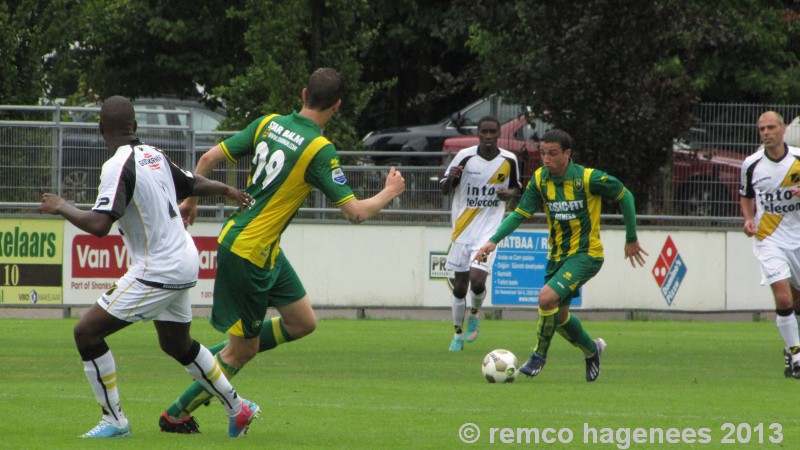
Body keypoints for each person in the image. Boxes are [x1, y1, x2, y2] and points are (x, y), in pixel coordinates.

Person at [159, 67, 405, 433]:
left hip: (262, 247)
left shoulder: (268, 123)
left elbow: (208, 159)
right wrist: (390, 192)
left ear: (303, 94)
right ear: (337, 106)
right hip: (250, 251)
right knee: (244, 350)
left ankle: (212, 361)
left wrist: (192, 203)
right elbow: (354, 213)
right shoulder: (319, 149)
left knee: (302, 322)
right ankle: (176, 414)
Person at [40, 95, 259, 439]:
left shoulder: (117, 165)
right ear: (136, 127)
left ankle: (114, 421)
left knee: (86, 333)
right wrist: (227, 189)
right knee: (177, 344)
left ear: (100, 129)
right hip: (185, 259)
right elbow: (191, 182)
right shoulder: (152, 154)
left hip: (159, 267)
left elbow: (100, 225)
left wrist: (62, 206)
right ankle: (238, 408)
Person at [475, 129, 647, 382]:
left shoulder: (588, 179)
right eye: (542, 153)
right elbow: (521, 213)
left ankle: (538, 356)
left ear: (568, 154)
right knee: (561, 316)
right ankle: (592, 349)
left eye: (552, 154)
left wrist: (631, 238)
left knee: (546, 299)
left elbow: (625, 195)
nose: (546, 159)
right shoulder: (540, 179)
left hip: (587, 254)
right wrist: (493, 240)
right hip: (557, 257)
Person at [440, 116, 521, 351]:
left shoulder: (509, 159)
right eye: (484, 131)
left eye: (492, 132)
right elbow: (445, 188)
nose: (488, 136)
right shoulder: (464, 156)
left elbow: (518, 187)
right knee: (459, 287)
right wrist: (452, 177)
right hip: (463, 230)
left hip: (489, 231)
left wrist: (510, 193)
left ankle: (474, 313)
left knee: (477, 280)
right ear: (478, 132)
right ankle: (457, 334)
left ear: (498, 134)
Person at [740, 111, 800, 378]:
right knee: (783, 296)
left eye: (770, 127)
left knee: (797, 300)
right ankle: (797, 356)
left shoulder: (798, 158)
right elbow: (746, 195)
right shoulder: (751, 164)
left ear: (783, 129)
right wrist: (748, 219)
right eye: (762, 129)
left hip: (797, 238)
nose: (765, 133)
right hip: (768, 239)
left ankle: (790, 350)